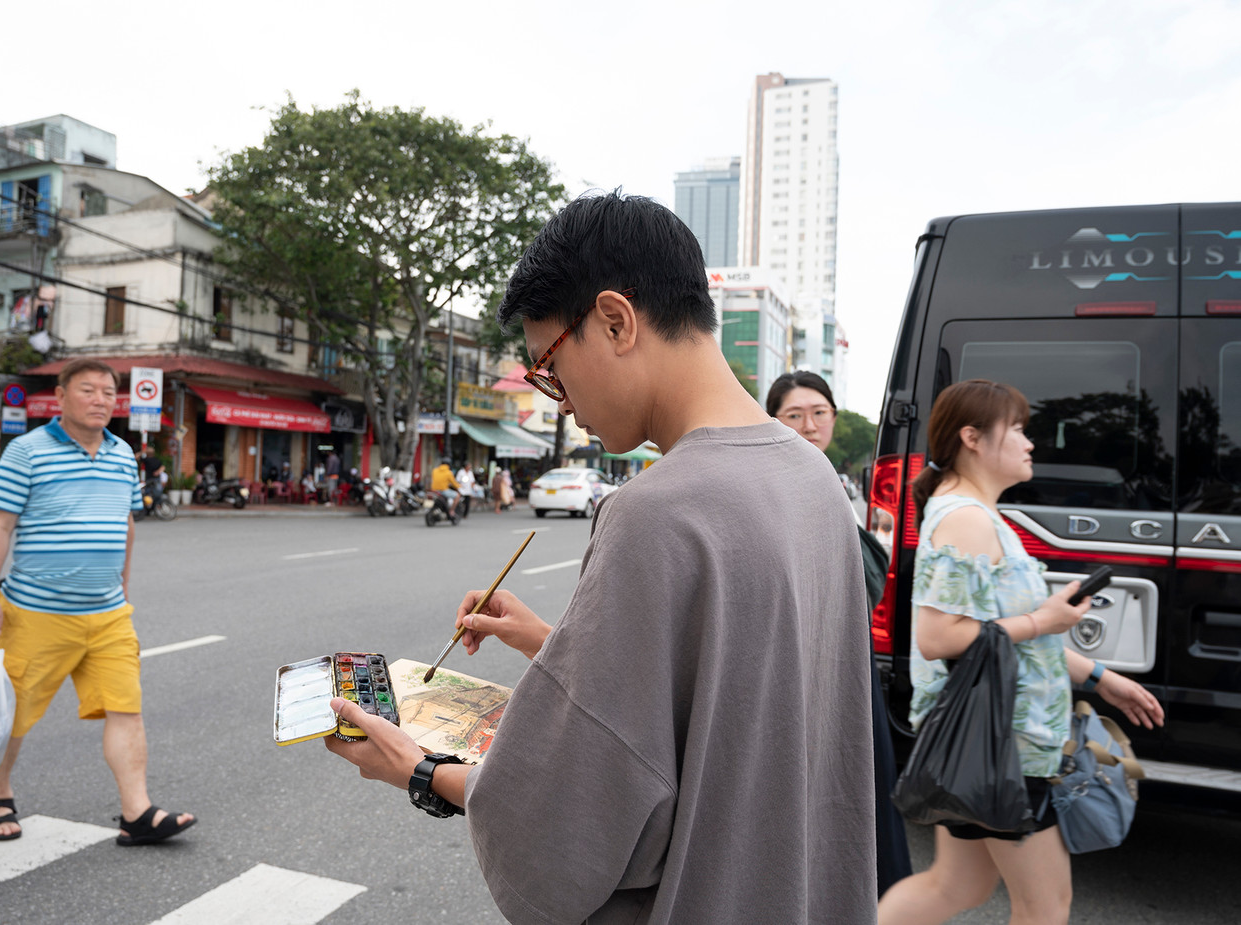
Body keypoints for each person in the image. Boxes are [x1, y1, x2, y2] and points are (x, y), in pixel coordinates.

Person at [323, 190, 875, 923]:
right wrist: (553, 643)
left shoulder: (654, 510)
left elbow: (580, 810)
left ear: (615, 320)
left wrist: (419, 769)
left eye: (550, 366)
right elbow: (733, 698)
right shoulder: (815, 483)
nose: (560, 401)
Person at [877, 379, 1163, 925]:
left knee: (954, 886)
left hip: (985, 738)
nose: (1030, 442)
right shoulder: (967, 518)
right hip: (1001, 743)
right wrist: (1043, 619)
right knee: (1046, 904)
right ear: (973, 438)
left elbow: (1007, 640)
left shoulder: (970, 512)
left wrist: (1100, 676)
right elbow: (939, 638)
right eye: (1018, 429)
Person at [0, 358, 195, 845]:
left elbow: (126, 525)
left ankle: (137, 813)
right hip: (35, 613)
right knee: (12, 712)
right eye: (88, 390)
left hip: (109, 613)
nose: (100, 400)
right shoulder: (27, 451)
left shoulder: (122, 455)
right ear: (61, 396)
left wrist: (124, 589)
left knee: (126, 708)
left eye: (108, 393)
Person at [768, 370, 913, 895]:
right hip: (805, 668)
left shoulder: (827, 480)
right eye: (794, 415)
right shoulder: (776, 482)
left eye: (819, 413)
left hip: (843, 662)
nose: (809, 425)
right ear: (772, 421)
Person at [429, 455, 462, 520]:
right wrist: (459, 486)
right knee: (457, 496)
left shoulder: (435, 470)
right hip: (443, 491)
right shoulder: (448, 472)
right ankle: (451, 511)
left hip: (434, 490)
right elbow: (453, 483)